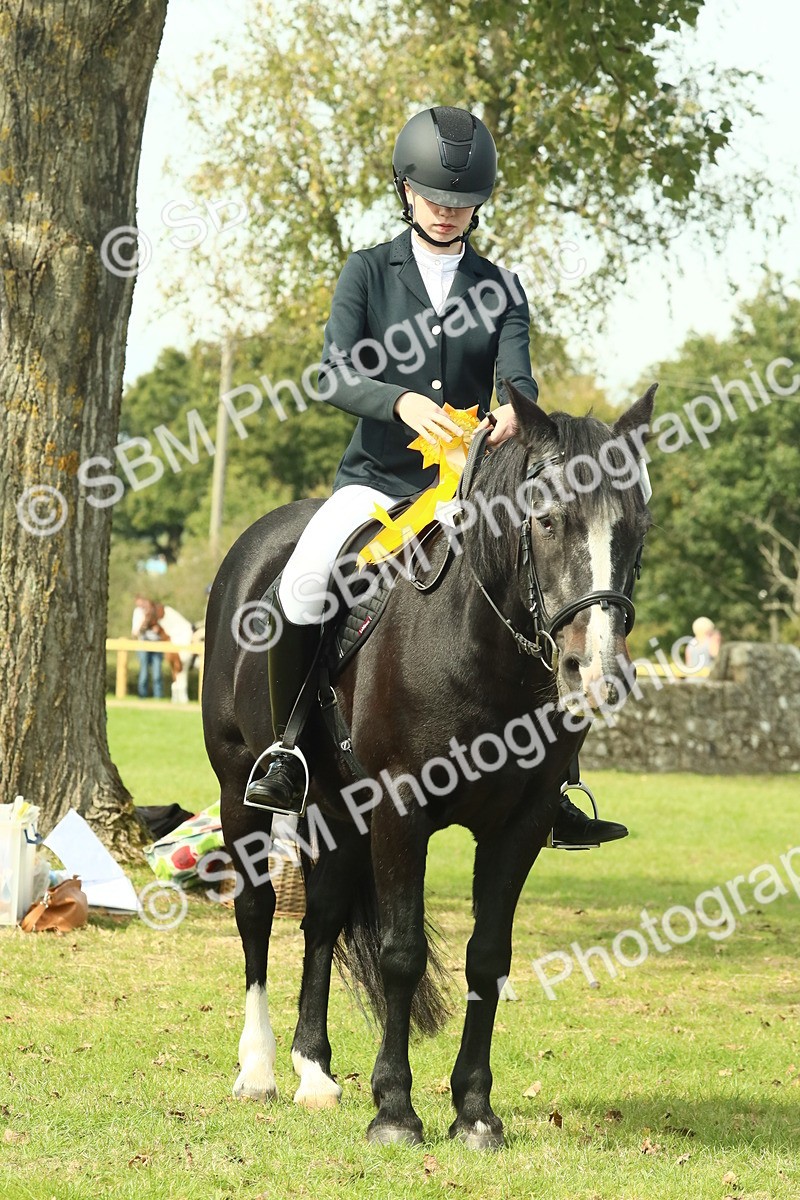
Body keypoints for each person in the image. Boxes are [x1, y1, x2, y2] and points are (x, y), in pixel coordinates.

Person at [244, 106, 627, 850]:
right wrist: (400, 401)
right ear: (405, 192)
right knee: (300, 584)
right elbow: (333, 374)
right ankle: (289, 748)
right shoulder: (366, 271)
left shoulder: (502, 287)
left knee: (549, 587)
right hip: (377, 483)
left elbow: (517, 373)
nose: (448, 214)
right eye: (434, 199)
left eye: (462, 204)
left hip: (470, 487)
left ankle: (557, 780)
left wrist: (515, 413)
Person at [132, 595, 163, 699]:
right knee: (144, 672)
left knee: (157, 673)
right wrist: (143, 625)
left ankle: (158, 697)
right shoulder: (138, 613)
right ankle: (142, 695)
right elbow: (135, 632)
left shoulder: (156, 612)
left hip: (156, 644)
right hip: (143, 645)